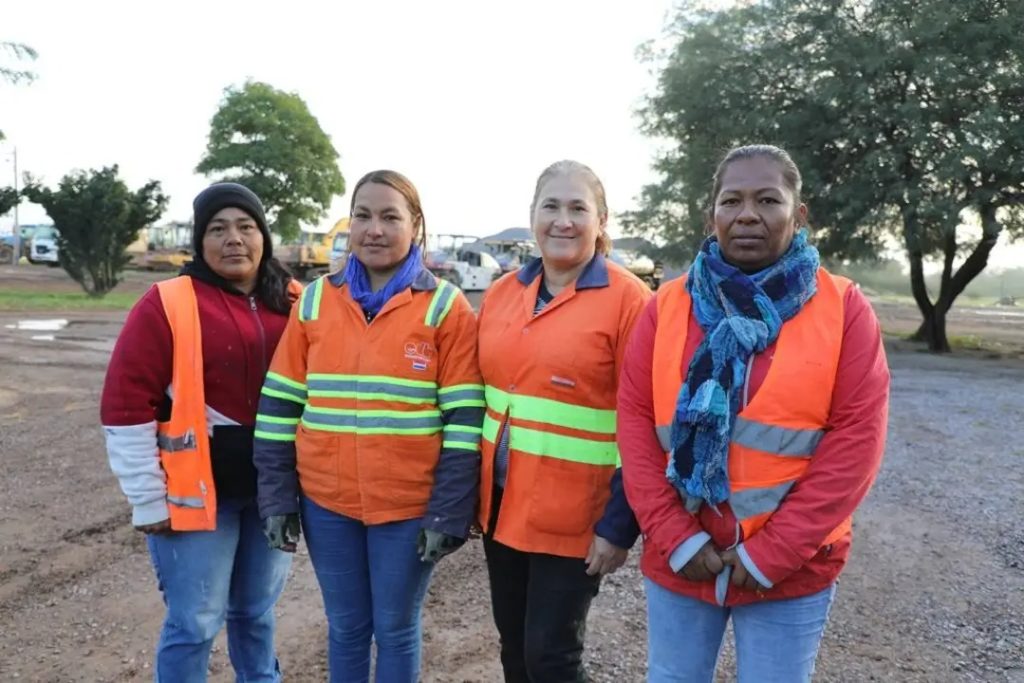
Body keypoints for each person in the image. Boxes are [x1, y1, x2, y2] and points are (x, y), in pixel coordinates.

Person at [617, 144, 891, 682]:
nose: (747, 215)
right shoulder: (666, 306)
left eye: (767, 200)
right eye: (732, 201)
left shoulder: (843, 308)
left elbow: (856, 443)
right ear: (711, 215)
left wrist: (773, 554)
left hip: (791, 567)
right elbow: (635, 423)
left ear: (798, 214)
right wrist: (677, 536)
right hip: (682, 554)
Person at [253, 170, 483, 683]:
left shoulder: (446, 308)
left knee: (395, 630)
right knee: (346, 628)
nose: (374, 229)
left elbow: (466, 421)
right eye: (362, 216)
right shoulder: (314, 301)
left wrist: (448, 510)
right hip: (327, 505)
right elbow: (279, 406)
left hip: (409, 508)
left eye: (389, 217)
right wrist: (276, 495)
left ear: (415, 225)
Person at [101, 182, 300, 682]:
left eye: (246, 227)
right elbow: (125, 403)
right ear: (199, 241)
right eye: (217, 229)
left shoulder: (296, 300)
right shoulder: (167, 302)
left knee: (255, 614)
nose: (233, 239)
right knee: (195, 622)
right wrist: (147, 497)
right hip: (195, 497)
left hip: (273, 492)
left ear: (264, 237)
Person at [476, 160, 652, 682]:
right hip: (501, 507)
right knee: (514, 652)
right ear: (533, 215)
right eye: (551, 206)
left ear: (602, 221)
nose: (563, 220)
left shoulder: (631, 302)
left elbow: (648, 421)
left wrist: (620, 525)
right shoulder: (502, 294)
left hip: (576, 517)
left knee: (551, 660)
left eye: (579, 208)